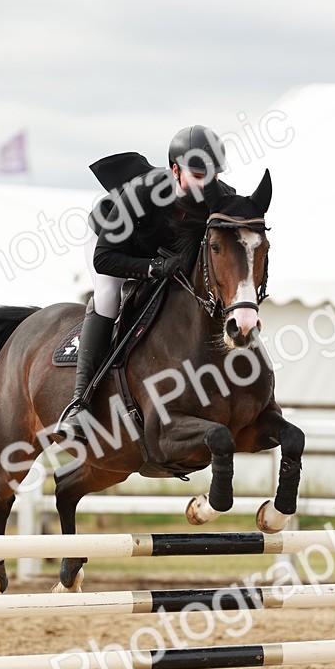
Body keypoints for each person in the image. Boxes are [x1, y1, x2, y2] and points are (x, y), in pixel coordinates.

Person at [55, 124, 236, 441]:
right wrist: (155, 268)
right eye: (198, 175)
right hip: (112, 244)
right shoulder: (142, 193)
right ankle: (79, 405)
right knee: (109, 295)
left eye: (214, 175)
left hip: (160, 251)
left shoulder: (220, 197)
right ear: (175, 169)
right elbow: (105, 259)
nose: (207, 185)